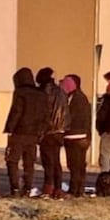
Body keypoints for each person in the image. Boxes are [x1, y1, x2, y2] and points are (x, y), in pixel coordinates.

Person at [3, 67, 47, 197]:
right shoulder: (41, 94)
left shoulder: (20, 92)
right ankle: (27, 188)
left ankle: (15, 188)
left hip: (18, 132)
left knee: (12, 160)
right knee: (29, 162)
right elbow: (45, 116)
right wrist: (40, 132)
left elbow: (16, 112)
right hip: (33, 134)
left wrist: (9, 129)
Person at [36, 67, 70, 200]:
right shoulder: (61, 91)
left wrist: (41, 130)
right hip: (60, 131)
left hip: (48, 131)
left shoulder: (44, 92)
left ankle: (48, 188)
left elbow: (44, 113)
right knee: (56, 162)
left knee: (48, 162)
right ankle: (58, 188)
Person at [61, 74, 91, 198]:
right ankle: (78, 189)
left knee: (75, 165)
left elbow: (71, 117)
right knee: (78, 165)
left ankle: (75, 189)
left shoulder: (76, 98)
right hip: (80, 136)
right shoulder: (79, 97)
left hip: (75, 136)